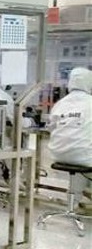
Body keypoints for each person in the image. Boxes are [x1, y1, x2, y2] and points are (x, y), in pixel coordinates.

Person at [47, 67, 92, 205]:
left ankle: (73, 202)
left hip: (58, 155)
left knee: (80, 154)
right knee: (83, 154)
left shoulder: (60, 104)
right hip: (83, 157)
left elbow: (51, 127)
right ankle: (77, 199)